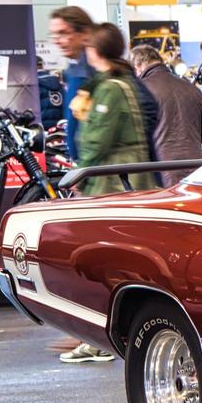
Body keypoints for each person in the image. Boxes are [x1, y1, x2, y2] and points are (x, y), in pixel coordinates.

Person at [61, 24, 154, 364]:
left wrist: (78, 175)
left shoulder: (111, 89)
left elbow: (97, 141)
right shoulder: (119, 83)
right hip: (119, 182)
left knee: (104, 264)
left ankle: (102, 340)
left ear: (94, 51)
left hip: (112, 185)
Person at [131, 45, 202, 162]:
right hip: (192, 165)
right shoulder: (190, 87)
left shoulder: (140, 89)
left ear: (137, 67)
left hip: (158, 169)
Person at [48, 5, 94, 160]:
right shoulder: (73, 69)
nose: (57, 41)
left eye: (63, 33)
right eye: (54, 35)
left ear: (84, 33)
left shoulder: (93, 70)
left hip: (98, 167)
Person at [36, 56, 64, 128]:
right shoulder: (57, 81)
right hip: (59, 124)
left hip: (43, 126)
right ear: (42, 65)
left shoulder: (33, 84)